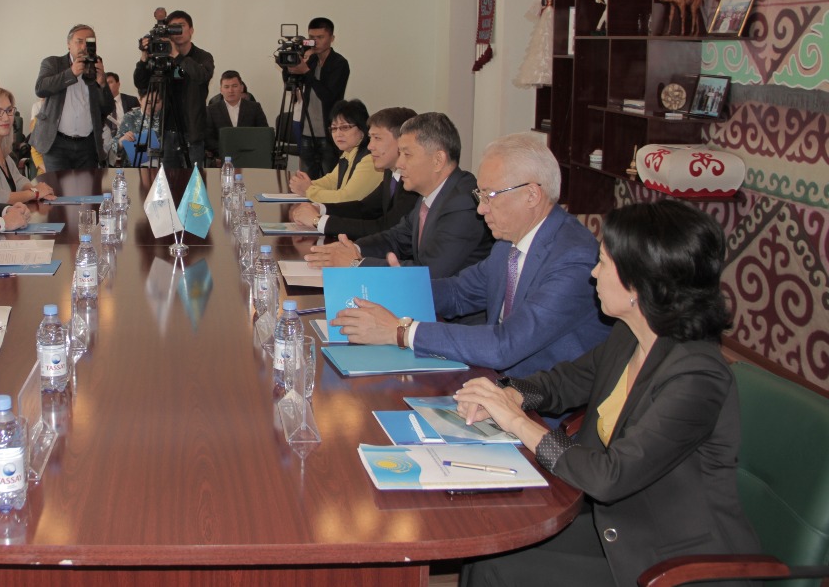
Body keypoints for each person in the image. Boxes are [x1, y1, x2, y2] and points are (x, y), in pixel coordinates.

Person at [454, 201, 759, 587]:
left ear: (639, 282)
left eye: (602, 262)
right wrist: (510, 394)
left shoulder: (698, 375)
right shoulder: (631, 336)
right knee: (488, 545)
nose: (593, 273)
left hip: (674, 558)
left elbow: (610, 476)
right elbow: (566, 381)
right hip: (619, 521)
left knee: (499, 570)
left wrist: (515, 422)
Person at [332, 133, 609, 380]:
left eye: (490, 195)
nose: (481, 209)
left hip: (537, 403)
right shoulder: (509, 242)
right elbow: (459, 292)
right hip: (490, 381)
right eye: (480, 195)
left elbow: (504, 345)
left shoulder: (573, 259)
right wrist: (402, 286)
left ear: (531, 195)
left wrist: (401, 332)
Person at [305, 112, 493, 275]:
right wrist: (352, 248)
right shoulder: (431, 194)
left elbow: (429, 273)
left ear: (438, 160)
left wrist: (356, 263)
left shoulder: (462, 203)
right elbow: (395, 238)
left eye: (407, 155)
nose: (400, 164)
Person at [290, 106, 417, 239]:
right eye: (371, 138)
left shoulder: (412, 182)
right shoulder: (391, 173)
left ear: (402, 142)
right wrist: (320, 208)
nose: (370, 146)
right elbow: (364, 208)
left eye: (377, 138)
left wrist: (318, 221)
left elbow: (385, 227)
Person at [133, 9, 214, 169]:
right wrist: (144, 57)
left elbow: (201, 76)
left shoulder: (203, 57)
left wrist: (177, 55)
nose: (178, 31)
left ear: (191, 30)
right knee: (168, 179)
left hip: (192, 132)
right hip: (167, 130)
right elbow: (140, 82)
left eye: (181, 26)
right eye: (173, 28)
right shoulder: (161, 57)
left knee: (193, 179)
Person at [30, 24, 115, 171]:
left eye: (89, 42)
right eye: (79, 41)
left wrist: (102, 83)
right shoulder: (53, 63)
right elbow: (40, 89)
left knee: (88, 185)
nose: (84, 46)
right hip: (56, 143)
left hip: (88, 146)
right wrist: (71, 73)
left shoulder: (96, 67)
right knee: (58, 185)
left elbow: (107, 108)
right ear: (68, 44)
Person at [284, 17, 349, 179]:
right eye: (311, 37)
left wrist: (306, 71)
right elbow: (291, 84)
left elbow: (328, 96)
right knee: (306, 180)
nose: (315, 41)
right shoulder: (311, 60)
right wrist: (288, 66)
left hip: (329, 132)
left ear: (332, 38)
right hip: (307, 130)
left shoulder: (339, 63)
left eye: (320, 37)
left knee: (329, 179)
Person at [286, 99, 378, 204]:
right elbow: (332, 181)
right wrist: (304, 184)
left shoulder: (370, 159)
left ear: (362, 130)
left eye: (345, 127)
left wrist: (308, 190)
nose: (338, 134)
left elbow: (347, 198)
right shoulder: (348, 154)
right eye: (334, 128)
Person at [0, 86, 55, 203]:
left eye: (9, 110)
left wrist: (36, 189)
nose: (6, 117)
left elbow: (18, 180)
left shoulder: (3, 152)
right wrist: (34, 193)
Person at [205, 70, 269, 164]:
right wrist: (225, 152)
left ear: (241, 88)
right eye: (226, 87)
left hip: (249, 156)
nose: (230, 90)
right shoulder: (211, 110)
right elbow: (208, 138)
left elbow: (263, 133)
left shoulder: (254, 108)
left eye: (234, 86)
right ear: (221, 90)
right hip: (222, 157)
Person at [110, 91, 163, 166]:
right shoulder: (130, 117)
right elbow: (113, 146)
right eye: (149, 102)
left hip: (160, 165)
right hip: (134, 166)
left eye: (157, 102)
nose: (153, 106)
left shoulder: (166, 117)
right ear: (140, 100)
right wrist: (122, 140)